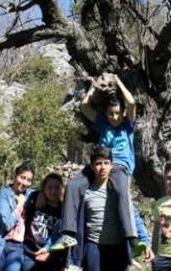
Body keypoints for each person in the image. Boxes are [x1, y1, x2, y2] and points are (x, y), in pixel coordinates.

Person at [52, 73, 138, 250]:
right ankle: (68, 233)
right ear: (105, 114)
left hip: (119, 166)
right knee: (73, 185)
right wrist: (93, 87)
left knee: (121, 191)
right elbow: (84, 106)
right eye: (111, 114)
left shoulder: (127, 126)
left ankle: (132, 238)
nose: (114, 117)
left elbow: (131, 103)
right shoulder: (102, 123)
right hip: (99, 164)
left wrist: (118, 80)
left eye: (117, 113)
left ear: (122, 113)